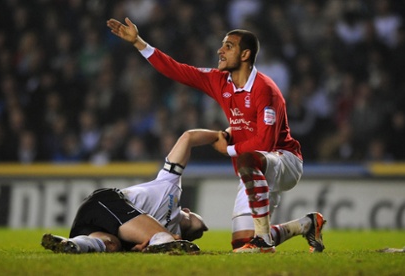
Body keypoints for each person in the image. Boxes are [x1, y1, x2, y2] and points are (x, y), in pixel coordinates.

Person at [106, 18, 326, 253]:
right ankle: (307, 225)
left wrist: (228, 149)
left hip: (284, 160)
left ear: (245, 55)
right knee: (242, 245)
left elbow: (265, 142)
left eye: (228, 46)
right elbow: (177, 70)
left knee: (248, 160)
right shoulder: (220, 81)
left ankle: (263, 240)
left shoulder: (266, 90)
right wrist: (139, 42)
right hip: (252, 169)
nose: (220, 50)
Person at [41, 129, 216, 254]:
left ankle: (73, 244)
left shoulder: (168, 230)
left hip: (100, 226)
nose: (203, 229)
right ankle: (163, 242)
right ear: (185, 210)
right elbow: (188, 137)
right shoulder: (171, 186)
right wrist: (219, 136)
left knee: (112, 245)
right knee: (163, 238)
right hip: (106, 202)